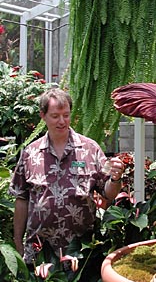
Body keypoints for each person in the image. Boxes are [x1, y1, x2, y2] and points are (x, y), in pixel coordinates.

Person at [9, 87, 124, 264]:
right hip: (40, 252)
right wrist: (18, 244)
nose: (62, 121)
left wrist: (115, 179)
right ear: (43, 116)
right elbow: (21, 199)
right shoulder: (30, 154)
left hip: (82, 253)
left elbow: (108, 193)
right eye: (55, 116)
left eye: (66, 115)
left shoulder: (90, 149)